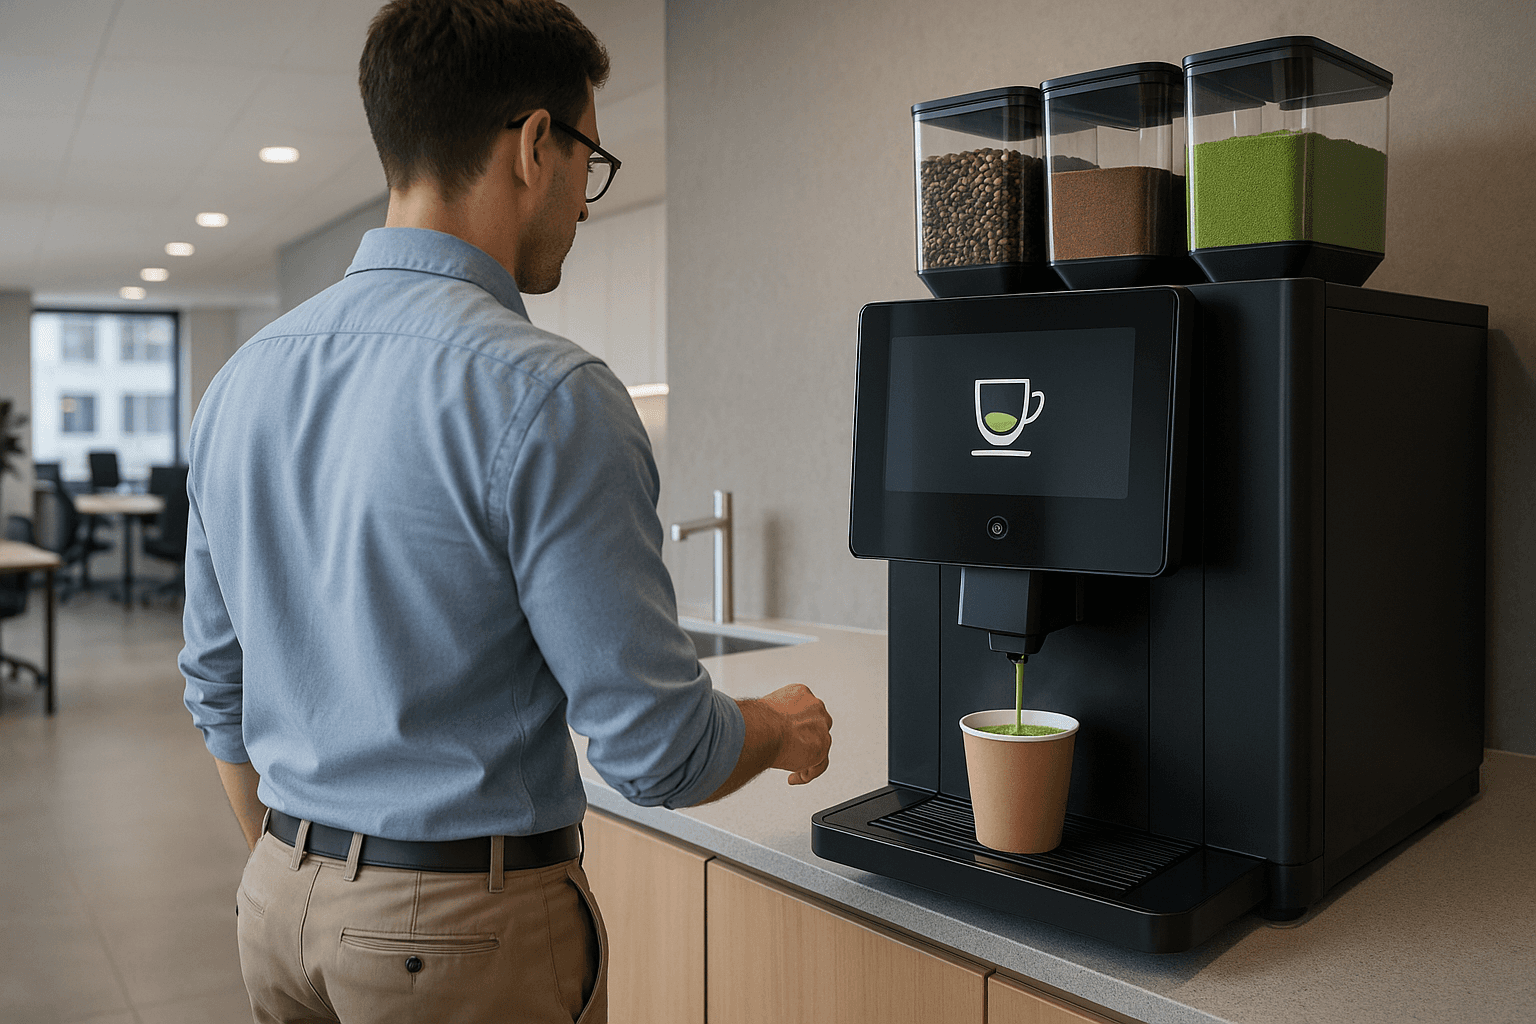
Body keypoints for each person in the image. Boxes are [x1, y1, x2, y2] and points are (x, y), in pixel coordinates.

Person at [179, 2, 834, 1021]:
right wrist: (774, 725)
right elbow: (656, 748)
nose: (585, 203)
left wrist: (313, 875)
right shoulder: (548, 393)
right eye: (590, 162)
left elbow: (219, 691)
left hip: (274, 906)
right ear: (536, 146)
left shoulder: (239, 383)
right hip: (454, 934)